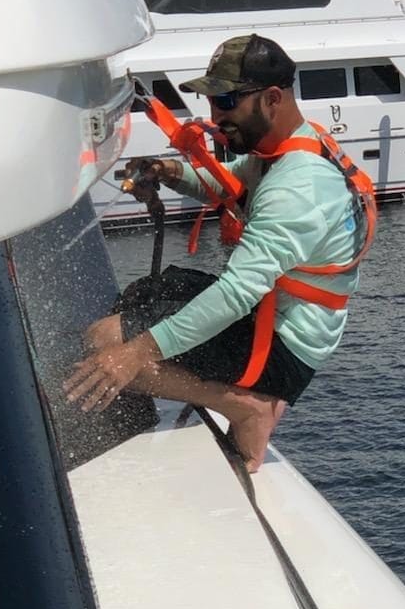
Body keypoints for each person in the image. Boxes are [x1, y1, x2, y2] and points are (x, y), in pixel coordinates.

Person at [63, 34, 373, 472]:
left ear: (271, 99)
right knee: (144, 292)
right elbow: (232, 182)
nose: (215, 117)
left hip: (282, 346)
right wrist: (168, 171)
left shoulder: (299, 186)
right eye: (211, 102)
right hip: (276, 314)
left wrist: (134, 355)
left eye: (226, 101)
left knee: (107, 342)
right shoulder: (292, 148)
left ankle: (246, 407)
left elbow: (235, 295)